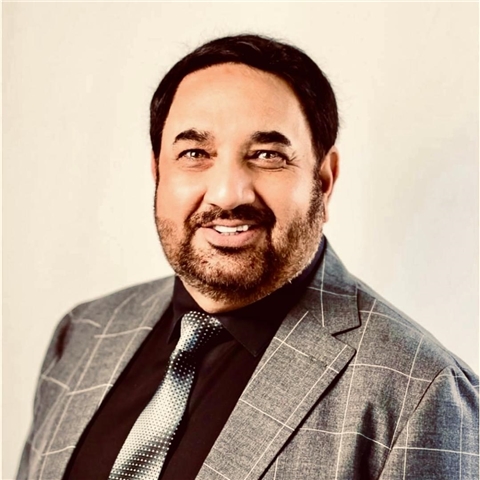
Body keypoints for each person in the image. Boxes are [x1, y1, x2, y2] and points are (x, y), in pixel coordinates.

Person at [17, 34, 478, 480]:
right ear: (158, 173)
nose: (227, 193)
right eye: (195, 153)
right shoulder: (83, 334)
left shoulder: (423, 392)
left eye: (267, 155)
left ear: (324, 180)